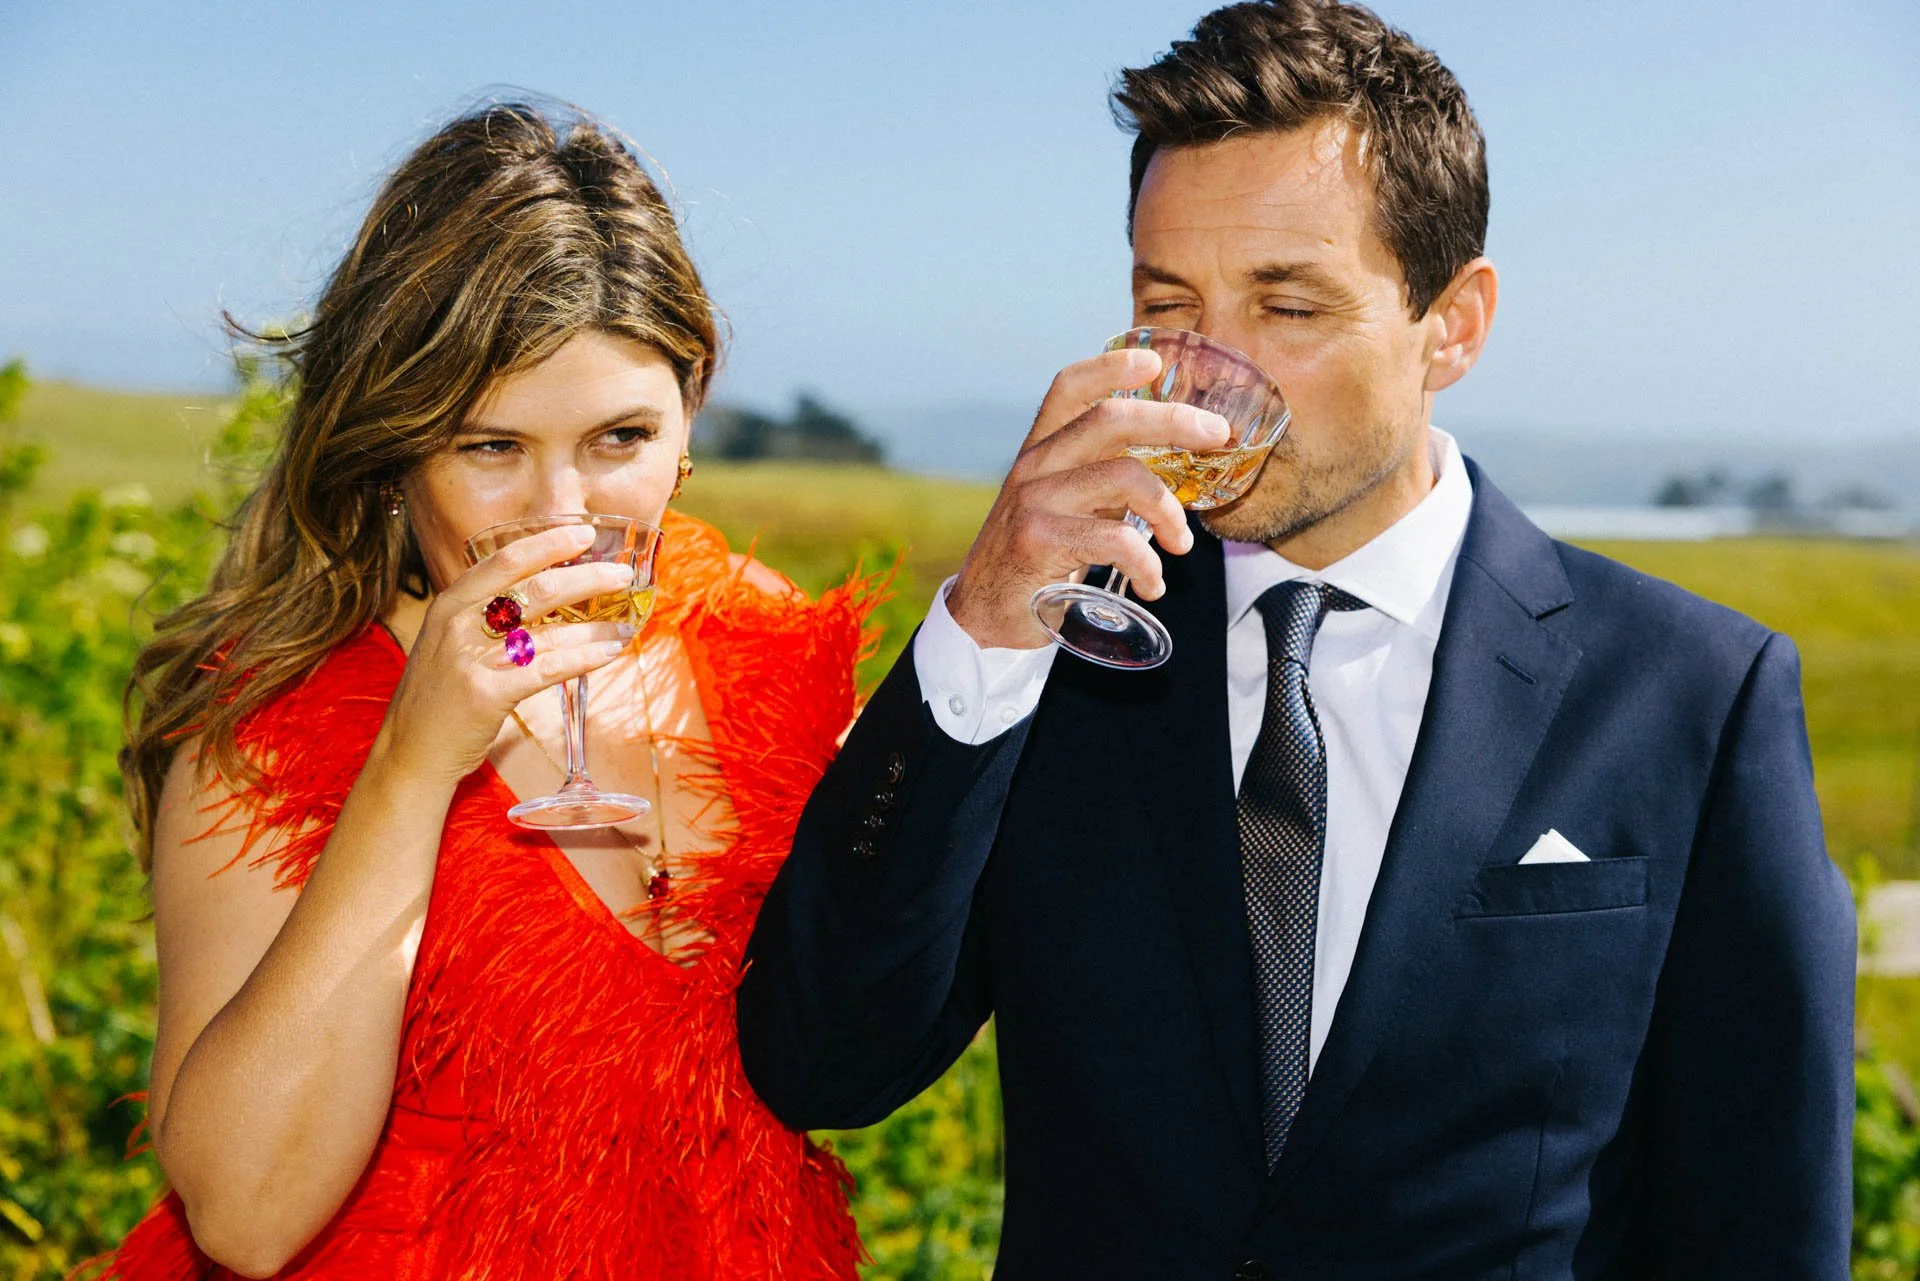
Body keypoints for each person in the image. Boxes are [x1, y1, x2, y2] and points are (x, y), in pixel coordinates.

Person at [736, 2, 1856, 1276]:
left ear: (1457, 323)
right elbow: (823, 1061)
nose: (1215, 373)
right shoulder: (1052, 647)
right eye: (1171, 305)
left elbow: (1763, 1221)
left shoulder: (1697, 696)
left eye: (1290, 308)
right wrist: (988, 616)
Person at [100, 103, 868, 1280]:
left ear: (690, 413)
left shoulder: (764, 640)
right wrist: (410, 769)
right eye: (490, 448)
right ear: (393, 454)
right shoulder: (270, 732)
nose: (565, 514)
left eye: (619, 437)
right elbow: (246, 1220)